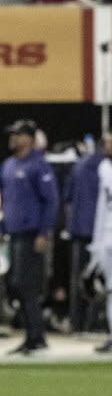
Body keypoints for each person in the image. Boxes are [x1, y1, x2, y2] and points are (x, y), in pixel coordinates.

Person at [0, 119, 58, 354]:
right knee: (17, 284)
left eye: (18, 134)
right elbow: (6, 199)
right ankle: (31, 335)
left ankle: (36, 337)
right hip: (13, 234)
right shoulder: (9, 165)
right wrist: (3, 227)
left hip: (31, 233)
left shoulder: (39, 165)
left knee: (28, 286)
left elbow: (51, 201)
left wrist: (44, 232)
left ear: (30, 139)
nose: (12, 137)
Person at [63, 136, 104, 333]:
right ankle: (93, 323)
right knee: (99, 279)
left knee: (79, 278)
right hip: (99, 231)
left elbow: (67, 198)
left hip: (78, 229)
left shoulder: (79, 165)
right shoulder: (103, 167)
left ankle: (77, 322)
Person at [90, 133, 112, 352]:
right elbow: (101, 207)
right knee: (110, 289)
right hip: (107, 235)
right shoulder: (104, 167)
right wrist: (96, 244)